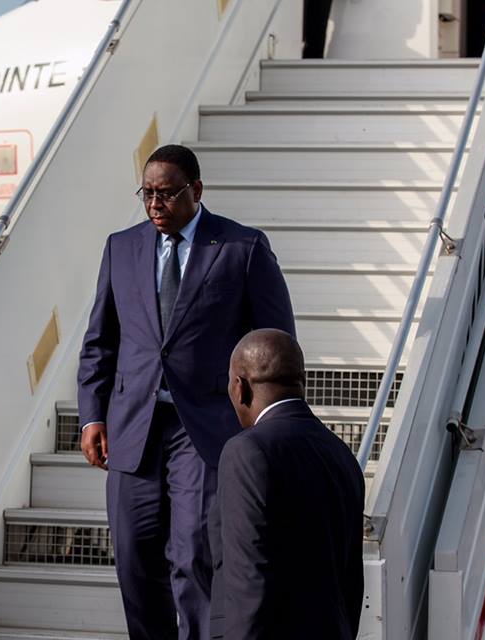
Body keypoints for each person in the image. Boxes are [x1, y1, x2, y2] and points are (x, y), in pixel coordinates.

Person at [77, 144, 296, 639]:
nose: (156, 205)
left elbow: (275, 342)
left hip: (206, 426)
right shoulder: (121, 247)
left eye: (167, 194)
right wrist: (92, 417)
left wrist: (267, 421)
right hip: (133, 426)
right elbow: (100, 342)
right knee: (134, 555)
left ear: (196, 191)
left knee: (193, 553)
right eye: (148, 195)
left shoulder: (242, 247)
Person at [209, 329, 365, 639]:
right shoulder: (340, 454)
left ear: (240, 388)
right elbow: (350, 583)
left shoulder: (245, 451)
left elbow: (247, 582)